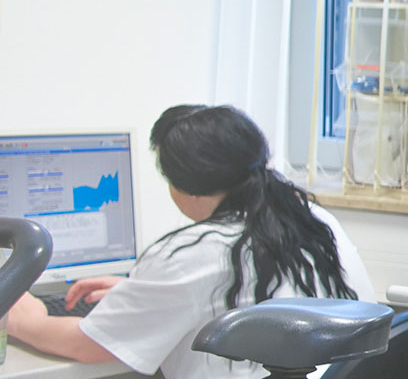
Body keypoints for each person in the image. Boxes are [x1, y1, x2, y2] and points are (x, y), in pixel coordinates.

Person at [5, 105, 376, 379]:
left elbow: (87, 345)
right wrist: (142, 293)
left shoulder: (197, 253)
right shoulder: (311, 218)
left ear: (184, 186)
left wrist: (23, 319)